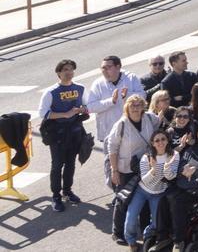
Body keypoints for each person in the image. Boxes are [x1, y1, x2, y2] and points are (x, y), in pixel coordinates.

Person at [105, 95, 158, 245]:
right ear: (127, 107)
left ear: (143, 106)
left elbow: (159, 125)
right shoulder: (121, 124)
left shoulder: (149, 118)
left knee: (146, 198)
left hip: (145, 167)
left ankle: (146, 231)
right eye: (132, 105)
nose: (135, 108)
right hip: (125, 169)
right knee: (123, 200)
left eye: (138, 105)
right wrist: (114, 170)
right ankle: (118, 232)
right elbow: (112, 148)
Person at [40, 59, 88, 212]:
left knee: (70, 163)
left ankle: (67, 191)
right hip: (58, 134)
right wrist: (65, 114)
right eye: (65, 69)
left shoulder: (80, 88)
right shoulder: (51, 92)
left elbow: (87, 105)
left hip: (75, 132)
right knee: (57, 165)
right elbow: (43, 113)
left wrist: (83, 109)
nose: (69, 72)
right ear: (59, 73)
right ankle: (56, 196)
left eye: (71, 69)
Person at [123, 129, 178, 250]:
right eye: (157, 140)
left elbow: (171, 177)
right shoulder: (146, 157)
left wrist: (167, 167)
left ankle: (146, 235)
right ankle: (131, 241)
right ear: (152, 143)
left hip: (159, 194)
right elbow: (146, 180)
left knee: (157, 223)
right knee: (131, 219)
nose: (160, 142)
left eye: (163, 139)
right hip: (142, 191)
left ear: (167, 140)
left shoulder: (174, 155)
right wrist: (153, 169)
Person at [88, 55, 146, 145]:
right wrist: (111, 101)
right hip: (108, 133)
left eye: (108, 67)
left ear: (118, 67)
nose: (105, 71)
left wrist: (128, 96)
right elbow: (90, 107)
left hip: (130, 130)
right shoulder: (98, 84)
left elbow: (143, 96)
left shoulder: (131, 78)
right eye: (103, 68)